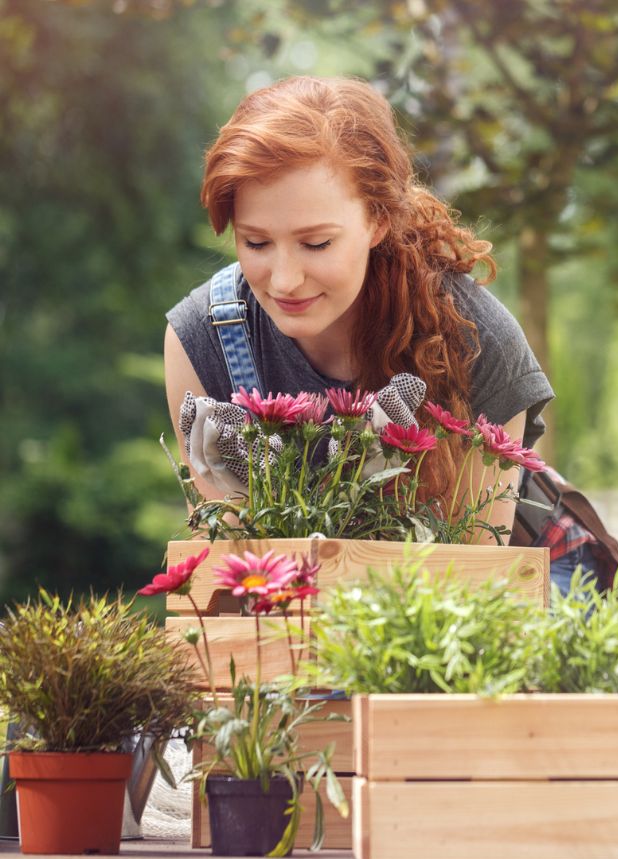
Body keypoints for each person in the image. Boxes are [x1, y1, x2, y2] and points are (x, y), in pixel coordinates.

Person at [163, 75, 553, 547]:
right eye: (256, 242)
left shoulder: (479, 341)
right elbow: (225, 581)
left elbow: (473, 584)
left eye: (316, 243)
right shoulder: (204, 338)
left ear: (378, 219)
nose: (284, 279)